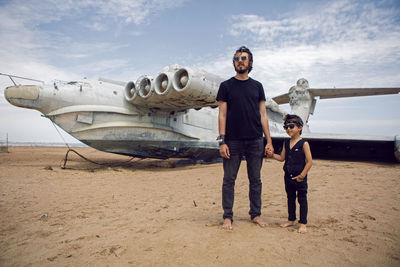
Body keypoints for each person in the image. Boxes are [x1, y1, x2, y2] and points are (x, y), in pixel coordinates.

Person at [216, 46, 274, 230]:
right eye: (236, 58)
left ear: (250, 62)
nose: (240, 60)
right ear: (233, 62)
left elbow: (263, 115)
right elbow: (222, 115)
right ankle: (227, 217)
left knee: (255, 180)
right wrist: (222, 142)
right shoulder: (226, 86)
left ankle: (255, 215)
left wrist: (269, 141)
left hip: (255, 140)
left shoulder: (258, 86)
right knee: (228, 180)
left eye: (243, 58)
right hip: (232, 141)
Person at [269, 114, 312, 234]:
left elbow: (309, 162)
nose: (288, 129)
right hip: (288, 177)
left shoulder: (304, 143)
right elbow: (282, 158)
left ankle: (303, 223)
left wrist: (302, 175)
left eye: (291, 126)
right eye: (286, 127)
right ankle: (291, 219)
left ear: (300, 128)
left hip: (300, 178)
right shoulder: (286, 143)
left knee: (302, 199)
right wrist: (271, 155)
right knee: (290, 198)